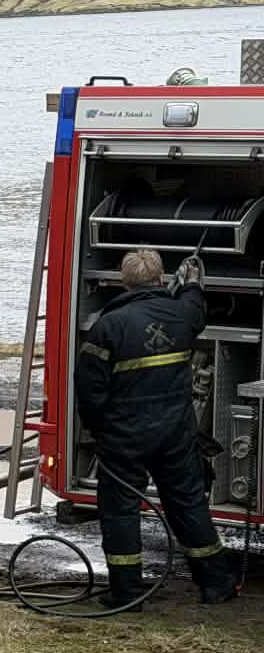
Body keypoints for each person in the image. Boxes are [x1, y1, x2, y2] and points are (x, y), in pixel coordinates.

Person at [75, 248, 238, 608]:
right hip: (175, 433)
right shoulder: (181, 314)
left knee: (120, 512)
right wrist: (191, 281)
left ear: (123, 282)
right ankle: (216, 584)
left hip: (124, 436)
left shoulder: (108, 327)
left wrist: (100, 431)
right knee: (188, 505)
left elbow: (89, 390)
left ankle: (127, 593)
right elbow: (195, 308)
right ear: (161, 279)